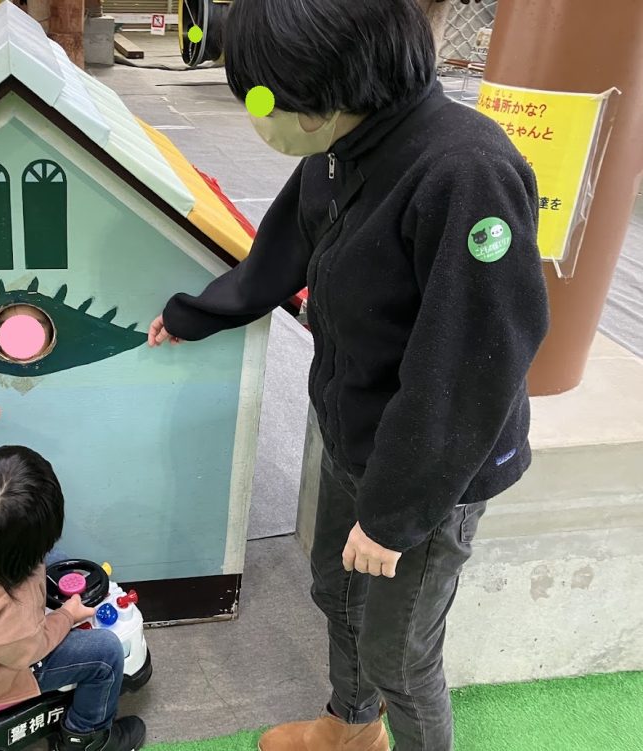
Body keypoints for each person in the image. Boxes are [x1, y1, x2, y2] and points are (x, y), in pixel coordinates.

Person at [148, 0, 549, 749]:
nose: (258, 116)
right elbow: (283, 248)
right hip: (353, 427)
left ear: (333, 82)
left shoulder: (467, 172)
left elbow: (471, 365)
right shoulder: (338, 144)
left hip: (433, 465)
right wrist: (197, 314)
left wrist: (394, 514)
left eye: (264, 97)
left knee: (402, 655)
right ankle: (352, 728)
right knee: (336, 590)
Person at [0, 399, 147, 751]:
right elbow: (22, 652)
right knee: (106, 654)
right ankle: (86, 736)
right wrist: (65, 616)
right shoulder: (12, 603)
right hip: (0, 673)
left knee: (61, 562)